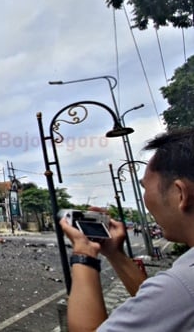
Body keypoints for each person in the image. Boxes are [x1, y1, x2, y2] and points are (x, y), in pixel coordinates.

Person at [60, 128, 194, 331]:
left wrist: (84, 253)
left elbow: (169, 296)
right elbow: (154, 307)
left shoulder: (182, 286)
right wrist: (116, 254)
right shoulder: (178, 288)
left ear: (180, 193)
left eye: (145, 187)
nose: (145, 198)